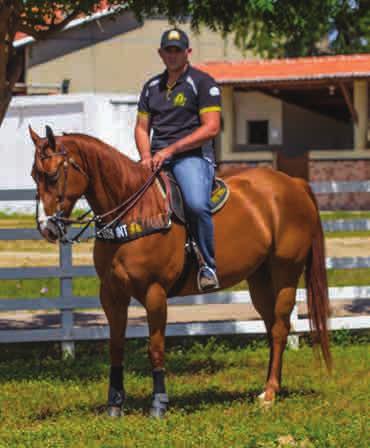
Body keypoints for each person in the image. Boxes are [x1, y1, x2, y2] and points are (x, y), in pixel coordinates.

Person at [135, 28, 222, 291]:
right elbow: (141, 128)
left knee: (195, 204)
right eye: (168, 50)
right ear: (161, 53)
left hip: (192, 157)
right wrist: (145, 157)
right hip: (156, 157)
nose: (173, 55)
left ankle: (208, 266)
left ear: (188, 53)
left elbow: (211, 128)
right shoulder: (151, 87)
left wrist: (170, 151)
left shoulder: (203, 83)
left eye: (178, 50)